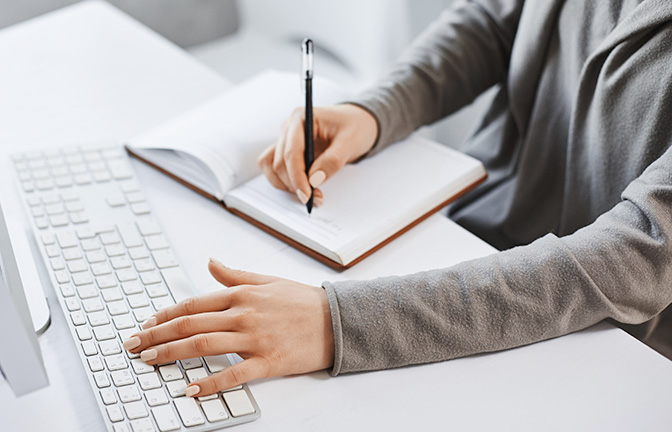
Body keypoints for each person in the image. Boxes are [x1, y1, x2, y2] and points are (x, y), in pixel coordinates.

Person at [122, 0, 672, 397]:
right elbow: (490, 22)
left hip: (610, 349)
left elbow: (636, 254)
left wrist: (337, 322)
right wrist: (375, 111)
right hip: (468, 251)